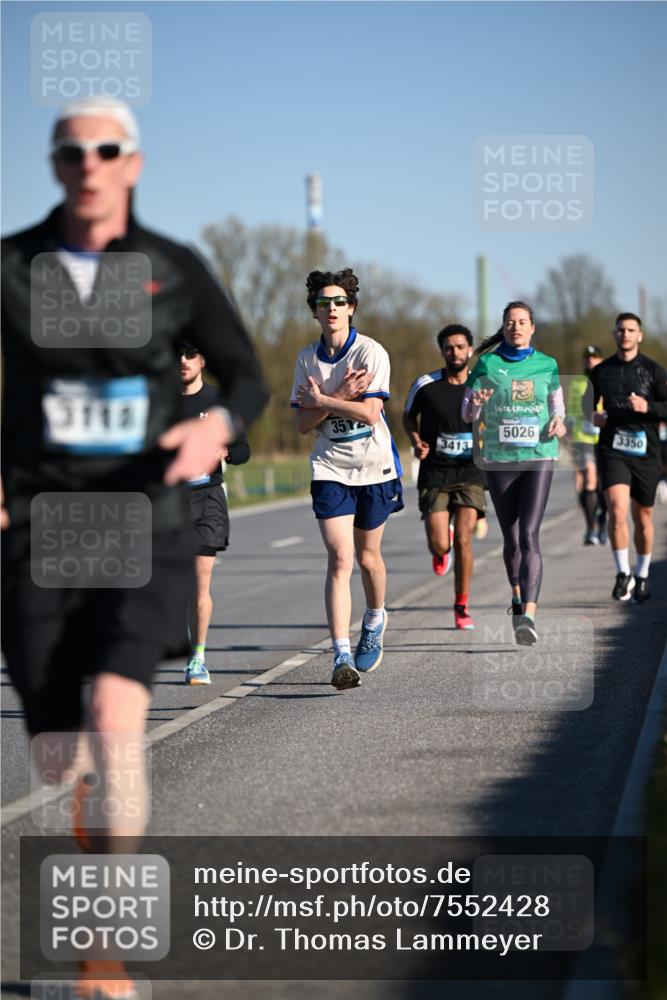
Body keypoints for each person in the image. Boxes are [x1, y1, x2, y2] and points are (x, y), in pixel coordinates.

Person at [1, 97, 267, 999]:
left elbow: (245, 373)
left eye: (105, 149)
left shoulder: (169, 268)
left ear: (133, 162)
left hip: (142, 519)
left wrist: (214, 428)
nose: (88, 163)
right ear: (54, 163)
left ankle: (101, 953)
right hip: (40, 530)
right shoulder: (14, 267)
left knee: (117, 725)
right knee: (58, 757)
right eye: (71, 150)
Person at [291, 268, 403, 690]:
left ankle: (374, 619)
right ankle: (340, 654)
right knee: (340, 559)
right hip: (330, 468)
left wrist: (323, 401)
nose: (332, 308)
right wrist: (334, 398)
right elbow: (303, 423)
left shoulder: (371, 353)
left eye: (339, 302)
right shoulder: (306, 359)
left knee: (368, 558)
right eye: (324, 303)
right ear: (315, 312)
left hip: (374, 465)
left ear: (351, 308)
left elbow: (371, 413)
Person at [462, 303, 566, 646]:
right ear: (503, 328)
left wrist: (557, 422)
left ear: (532, 327)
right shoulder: (488, 363)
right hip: (500, 459)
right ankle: (517, 596)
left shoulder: (547, 364)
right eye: (510, 322)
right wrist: (476, 402)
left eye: (522, 322)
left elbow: (557, 408)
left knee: (529, 535)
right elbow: (466, 413)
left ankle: (528, 617)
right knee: (511, 538)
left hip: (539, 456)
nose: (516, 327)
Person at [403, 324, 487, 629]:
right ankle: (443, 544)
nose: (455, 352)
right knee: (440, 545)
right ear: (442, 351)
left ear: (469, 350)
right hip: (435, 471)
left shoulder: (482, 385)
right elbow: (408, 415)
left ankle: (461, 606)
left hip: (470, 472)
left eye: (461, 346)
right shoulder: (426, 384)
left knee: (466, 540)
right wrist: (415, 440)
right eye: (449, 347)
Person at [179, 340, 251, 685]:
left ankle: (198, 658)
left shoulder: (219, 402)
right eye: (177, 353)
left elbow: (243, 449)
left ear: (202, 359)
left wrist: (227, 450)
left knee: (199, 584)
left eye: (190, 354)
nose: (183, 360)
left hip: (207, 498)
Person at [585, 312, 667, 602]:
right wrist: (594, 416)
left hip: (646, 451)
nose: (626, 334)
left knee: (642, 516)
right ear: (614, 334)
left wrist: (648, 407)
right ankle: (622, 573)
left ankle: (642, 574)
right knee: (617, 511)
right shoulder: (601, 371)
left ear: (639, 335)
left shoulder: (654, 371)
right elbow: (586, 406)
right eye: (621, 330)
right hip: (613, 449)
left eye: (631, 330)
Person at [566, 345, 607, 545]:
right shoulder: (577, 382)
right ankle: (591, 527)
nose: (591, 361)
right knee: (589, 480)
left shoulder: (609, 377)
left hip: (606, 438)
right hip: (583, 438)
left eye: (595, 357)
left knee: (604, 484)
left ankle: (603, 523)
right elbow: (572, 410)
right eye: (587, 357)